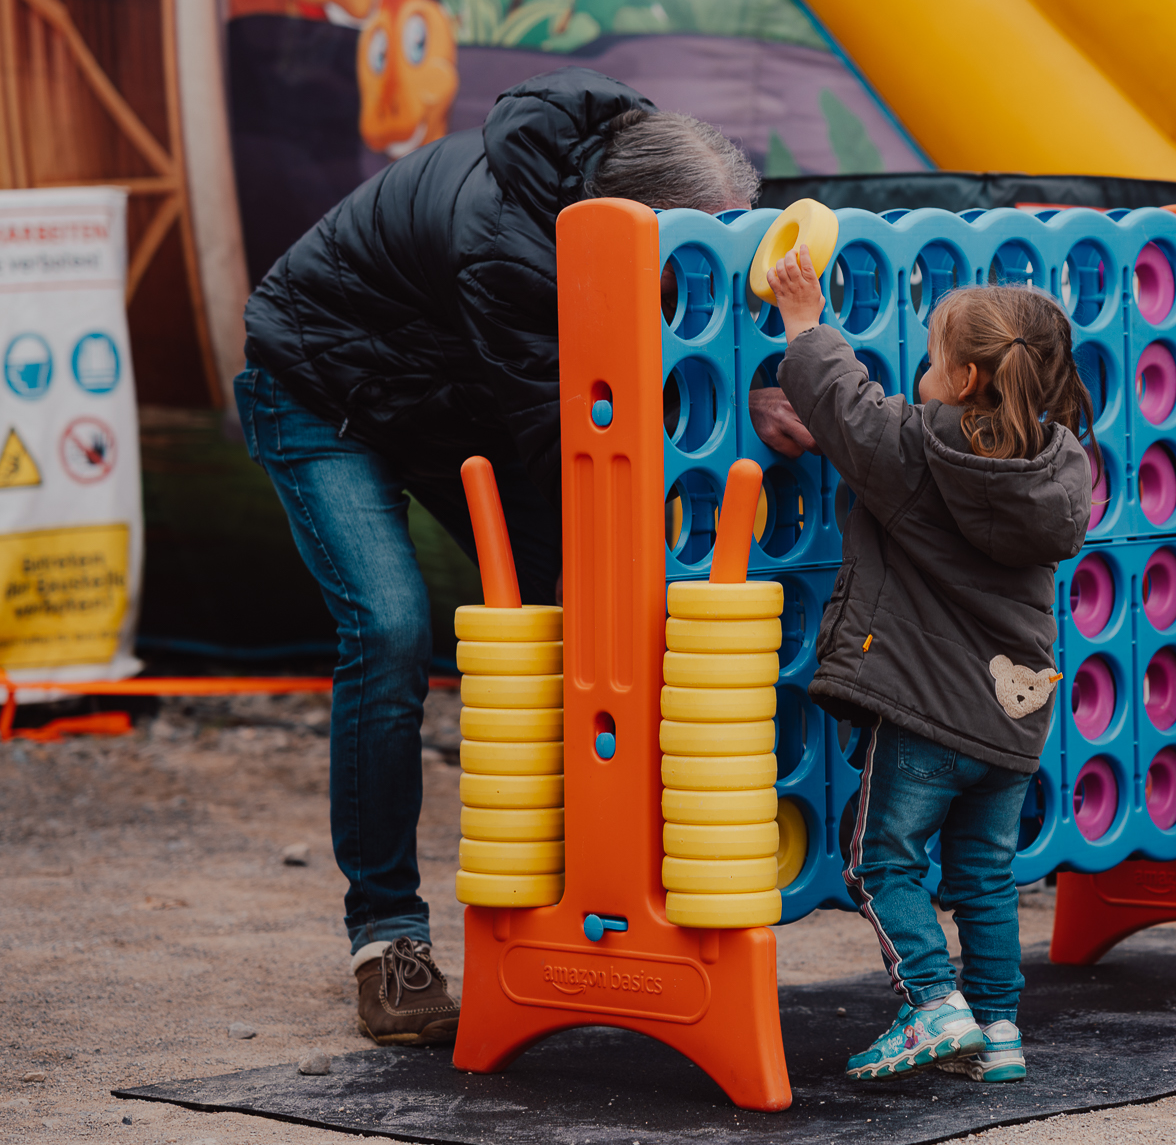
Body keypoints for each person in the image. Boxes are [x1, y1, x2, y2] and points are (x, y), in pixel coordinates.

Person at [239, 68, 811, 1045]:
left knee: (575, 606)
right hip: (322, 388)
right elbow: (566, 443)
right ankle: (387, 937)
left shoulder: (619, 186)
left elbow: (660, 359)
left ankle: (590, 900)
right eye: (687, 255)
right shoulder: (510, 247)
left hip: (451, 393)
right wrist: (724, 416)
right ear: (632, 225)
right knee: (390, 628)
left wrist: (749, 393)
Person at [764, 251, 1093, 1082]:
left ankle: (932, 1002)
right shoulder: (1060, 469)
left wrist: (804, 323)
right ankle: (999, 1027)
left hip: (923, 712)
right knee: (983, 872)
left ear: (968, 376)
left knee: (880, 861)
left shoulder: (916, 448)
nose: (921, 369)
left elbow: (843, 402)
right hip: (1014, 717)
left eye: (934, 356)